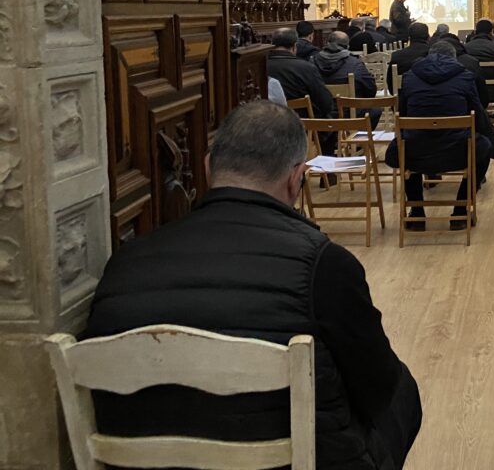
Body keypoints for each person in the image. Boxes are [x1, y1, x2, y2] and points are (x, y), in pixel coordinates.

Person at [83, 101, 422, 468]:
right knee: (401, 389)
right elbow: (377, 389)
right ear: (296, 179)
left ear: (209, 166)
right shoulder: (324, 265)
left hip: (146, 463)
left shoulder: (125, 260)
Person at [385, 42, 494, 231]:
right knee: (484, 146)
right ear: (454, 58)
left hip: (415, 153)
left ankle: (417, 214)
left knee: (405, 145)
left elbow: (402, 114)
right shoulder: (464, 77)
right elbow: (477, 113)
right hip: (457, 151)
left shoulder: (410, 77)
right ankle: (460, 211)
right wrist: (490, 136)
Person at [267, 28, 338, 155]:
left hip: (269, 124)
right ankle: (326, 172)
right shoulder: (306, 67)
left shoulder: (261, 66)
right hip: (305, 126)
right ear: (295, 46)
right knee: (331, 123)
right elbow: (325, 102)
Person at [387, 22, 431, 93]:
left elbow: (391, 84)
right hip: (428, 97)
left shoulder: (396, 56)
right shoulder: (433, 54)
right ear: (428, 37)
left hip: (404, 100)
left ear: (409, 38)